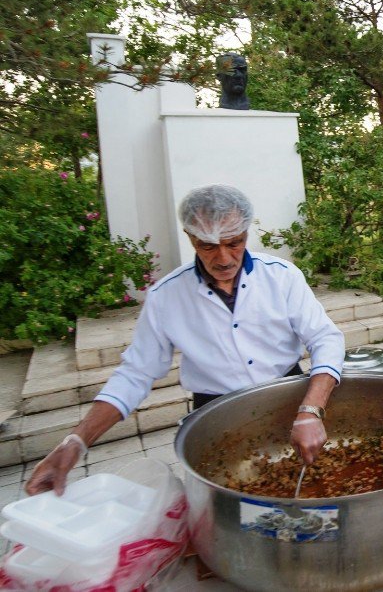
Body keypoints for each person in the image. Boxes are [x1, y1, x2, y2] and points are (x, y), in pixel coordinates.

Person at [26, 184, 345, 495]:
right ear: (191, 238)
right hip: (215, 413)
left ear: (247, 233)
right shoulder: (166, 296)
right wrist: (76, 441)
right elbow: (136, 373)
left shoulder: (281, 276)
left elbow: (325, 338)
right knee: (231, 497)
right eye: (208, 245)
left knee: (311, 491)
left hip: (289, 400)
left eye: (233, 242)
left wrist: (311, 409)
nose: (223, 258)